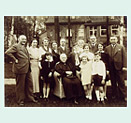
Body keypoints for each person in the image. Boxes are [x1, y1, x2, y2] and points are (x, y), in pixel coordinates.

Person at [5, 35, 37, 106]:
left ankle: (30, 98)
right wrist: (15, 59)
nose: (24, 41)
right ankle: (20, 100)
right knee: (20, 86)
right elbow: (7, 52)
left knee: (29, 84)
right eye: (22, 39)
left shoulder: (24, 47)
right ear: (19, 39)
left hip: (27, 68)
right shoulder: (16, 46)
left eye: (25, 39)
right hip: (20, 68)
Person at [105, 36, 127, 101]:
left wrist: (124, 66)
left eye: (114, 39)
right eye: (111, 39)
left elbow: (124, 57)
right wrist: (107, 69)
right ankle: (114, 95)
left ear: (117, 40)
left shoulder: (121, 47)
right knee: (113, 82)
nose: (113, 40)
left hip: (119, 67)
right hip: (111, 68)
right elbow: (106, 59)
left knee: (121, 82)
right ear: (110, 40)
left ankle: (123, 95)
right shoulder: (107, 48)